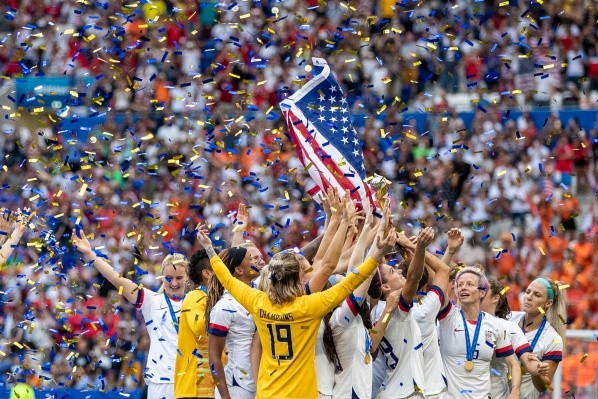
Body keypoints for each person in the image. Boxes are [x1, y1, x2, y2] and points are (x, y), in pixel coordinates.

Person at [196, 221, 394, 399]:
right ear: (298, 278)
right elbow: (352, 280)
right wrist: (376, 254)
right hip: (302, 394)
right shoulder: (310, 306)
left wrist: (209, 248)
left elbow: (227, 279)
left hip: (267, 393)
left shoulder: (258, 302)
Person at [72, 229, 188, 399]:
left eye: (179, 278)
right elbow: (117, 279)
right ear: (162, 277)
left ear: (188, 278)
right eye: (169, 278)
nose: (174, 283)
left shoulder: (197, 301)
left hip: (189, 381)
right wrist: (91, 254)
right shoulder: (152, 301)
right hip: (160, 384)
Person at [437, 267, 522, 399]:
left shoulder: (495, 325)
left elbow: (513, 363)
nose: (463, 288)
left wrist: (515, 392)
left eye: (469, 284)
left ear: (482, 293)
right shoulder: (448, 317)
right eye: (460, 285)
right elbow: (439, 276)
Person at [374, 227, 435, 399]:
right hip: (405, 393)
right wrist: (420, 248)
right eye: (393, 271)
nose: (400, 272)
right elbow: (414, 279)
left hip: (390, 390)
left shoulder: (375, 310)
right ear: (385, 287)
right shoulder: (396, 306)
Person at [205, 246, 260, 399]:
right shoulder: (225, 307)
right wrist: (225, 396)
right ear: (239, 270)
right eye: (251, 259)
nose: (257, 261)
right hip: (238, 386)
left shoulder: (259, 292)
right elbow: (214, 356)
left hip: (262, 381)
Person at [481, 277, 548, 399]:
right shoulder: (456, 321)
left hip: (495, 395)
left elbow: (526, 360)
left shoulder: (508, 327)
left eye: (483, 290)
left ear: (495, 298)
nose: (479, 293)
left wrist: (536, 368)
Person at [509, 277, 567, 399]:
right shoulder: (507, 319)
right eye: (528, 291)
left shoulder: (552, 338)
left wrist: (536, 371)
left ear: (548, 303)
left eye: (537, 295)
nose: (529, 297)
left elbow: (543, 387)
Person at [175, 249, 216, 399]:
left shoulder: (212, 298)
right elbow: (200, 328)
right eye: (220, 267)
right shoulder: (195, 297)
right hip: (195, 387)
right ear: (207, 273)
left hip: (212, 384)